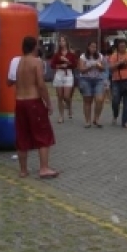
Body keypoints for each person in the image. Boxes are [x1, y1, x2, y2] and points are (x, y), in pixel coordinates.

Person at [7, 36, 58, 179]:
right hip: (33, 101)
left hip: (20, 101)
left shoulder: (19, 62)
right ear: (34, 47)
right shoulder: (36, 62)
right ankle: (44, 168)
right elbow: (41, 85)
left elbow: (11, 81)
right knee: (43, 133)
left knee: (22, 135)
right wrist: (48, 102)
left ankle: (23, 170)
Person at [108, 38, 127, 128]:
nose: (122, 48)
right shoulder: (114, 56)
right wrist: (119, 63)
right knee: (115, 100)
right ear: (117, 47)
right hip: (116, 81)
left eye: (124, 46)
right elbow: (110, 68)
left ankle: (125, 121)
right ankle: (115, 114)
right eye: (121, 46)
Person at [77, 41, 106, 128]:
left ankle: (96, 119)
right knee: (87, 101)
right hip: (86, 79)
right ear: (88, 47)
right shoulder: (83, 56)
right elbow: (81, 69)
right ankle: (87, 121)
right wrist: (90, 67)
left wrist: (99, 67)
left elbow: (103, 68)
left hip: (98, 79)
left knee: (99, 99)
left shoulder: (100, 56)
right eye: (92, 47)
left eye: (95, 47)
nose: (93, 49)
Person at [50, 36, 77, 123]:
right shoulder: (57, 54)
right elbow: (52, 65)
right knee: (60, 97)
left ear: (66, 42)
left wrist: (67, 61)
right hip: (59, 74)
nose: (62, 42)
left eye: (63, 41)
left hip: (68, 74)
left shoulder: (71, 53)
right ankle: (61, 116)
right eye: (60, 41)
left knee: (66, 96)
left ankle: (69, 105)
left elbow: (74, 65)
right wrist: (60, 65)